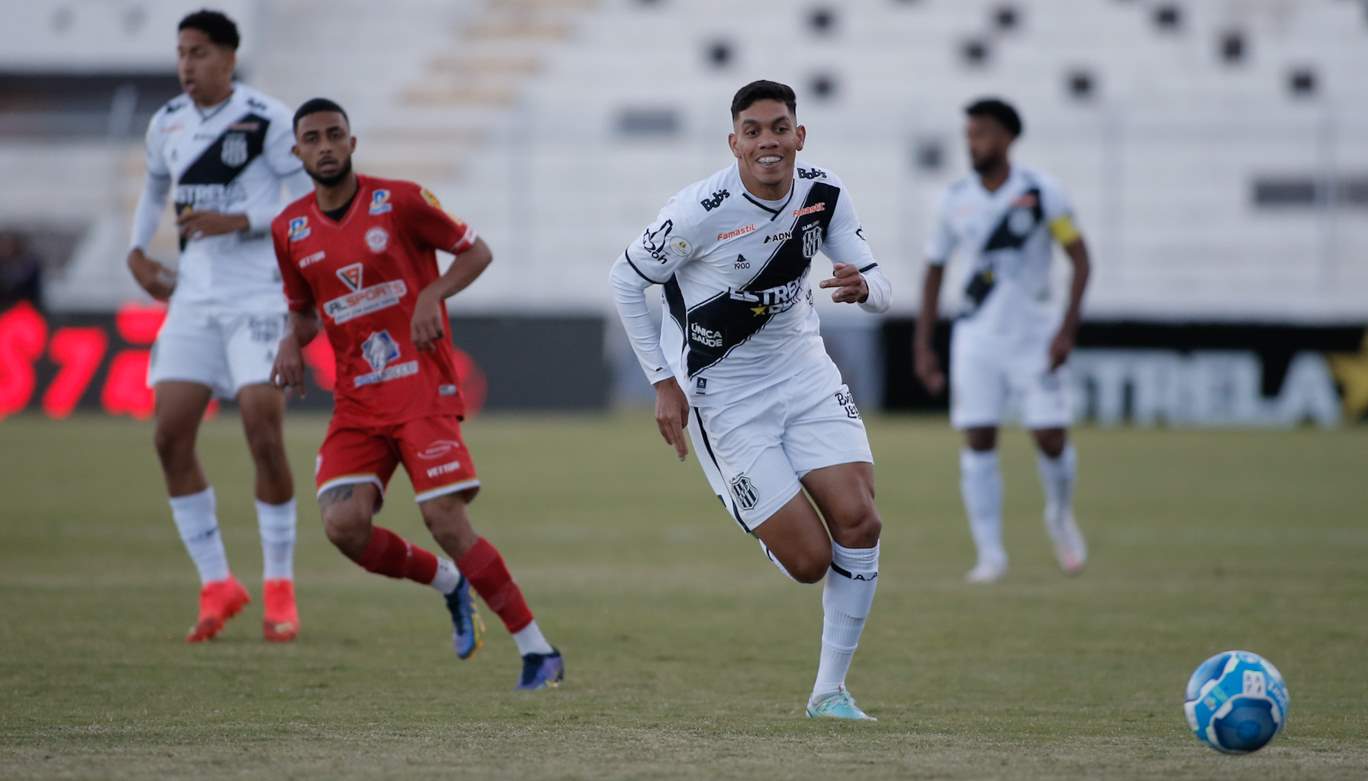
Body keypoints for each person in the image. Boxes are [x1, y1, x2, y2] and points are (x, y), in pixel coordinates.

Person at [609, 80, 892, 720]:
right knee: (809, 561)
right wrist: (662, 381)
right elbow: (626, 278)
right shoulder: (699, 209)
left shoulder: (825, 193)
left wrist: (863, 289)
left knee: (861, 520)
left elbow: (879, 286)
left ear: (800, 134)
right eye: (755, 131)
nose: (769, 141)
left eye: (780, 127)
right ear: (734, 141)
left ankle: (830, 693)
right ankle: (756, 505)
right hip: (725, 396)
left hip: (805, 376)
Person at [269, 98, 563, 690]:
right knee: (343, 527)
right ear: (296, 152)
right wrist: (288, 342)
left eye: (335, 135)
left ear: (353, 144)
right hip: (356, 399)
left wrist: (432, 295)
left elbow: (475, 252)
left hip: (420, 386)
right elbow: (304, 313)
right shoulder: (290, 230)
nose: (325, 146)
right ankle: (448, 584)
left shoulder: (400, 200)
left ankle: (537, 650)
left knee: (443, 517)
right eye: (312, 138)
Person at [126, 9, 313, 642]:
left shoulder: (268, 117)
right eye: (181, 52)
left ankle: (279, 586)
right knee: (169, 438)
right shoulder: (167, 122)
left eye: (199, 52)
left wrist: (244, 222)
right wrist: (135, 249)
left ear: (229, 60)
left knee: (263, 431)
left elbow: (306, 194)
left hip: (259, 297)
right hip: (194, 300)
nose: (186, 64)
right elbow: (155, 187)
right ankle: (217, 583)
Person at [914, 97, 1091, 584]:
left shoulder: (1042, 193)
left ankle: (1059, 514)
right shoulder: (954, 199)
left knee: (1050, 437)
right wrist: (924, 346)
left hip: (1036, 335)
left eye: (984, 133)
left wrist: (1066, 330)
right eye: (970, 133)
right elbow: (933, 272)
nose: (975, 142)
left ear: (1009, 138)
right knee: (978, 437)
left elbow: (1081, 259)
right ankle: (990, 554)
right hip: (976, 337)